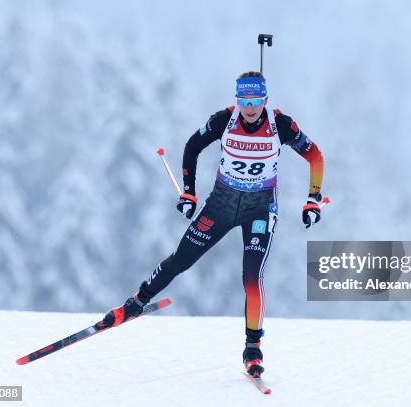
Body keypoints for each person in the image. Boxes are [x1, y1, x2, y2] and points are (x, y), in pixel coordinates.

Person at [103, 71, 325, 378]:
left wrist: (313, 199)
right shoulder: (224, 121)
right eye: (244, 100)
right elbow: (192, 146)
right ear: (237, 100)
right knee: (180, 260)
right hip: (220, 205)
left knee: (251, 277)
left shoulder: (281, 125)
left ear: (265, 100)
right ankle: (136, 302)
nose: (249, 108)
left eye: (255, 100)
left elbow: (315, 157)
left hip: (259, 209)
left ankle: (253, 349)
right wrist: (189, 192)